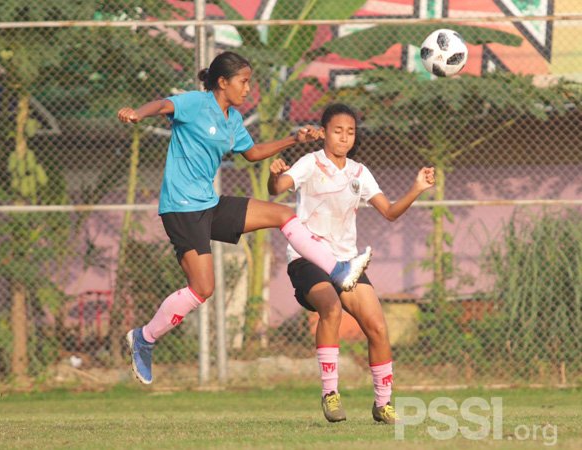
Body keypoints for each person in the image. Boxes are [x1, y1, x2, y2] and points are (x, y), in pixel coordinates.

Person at [117, 52, 372, 385]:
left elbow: (251, 153)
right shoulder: (196, 103)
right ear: (222, 82)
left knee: (282, 213)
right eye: (243, 81)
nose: (248, 88)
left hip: (208, 203)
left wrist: (293, 139)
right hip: (181, 209)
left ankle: (338, 270)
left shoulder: (232, 118)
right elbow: (163, 105)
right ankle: (145, 338)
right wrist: (137, 113)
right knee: (202, 288)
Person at [268, 103, 435, 424]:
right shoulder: (310, 162)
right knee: (329, 308)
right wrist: (275, 176)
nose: (344, 138)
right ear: (325, 132)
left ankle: (383, 404)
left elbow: (389, 212)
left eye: (350, 132)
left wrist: (416, 188)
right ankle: (330, 394)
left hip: (347, 264)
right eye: (337, 131)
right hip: (307, 258)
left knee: (377, 327)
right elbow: (277, 189)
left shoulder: (360, 172)